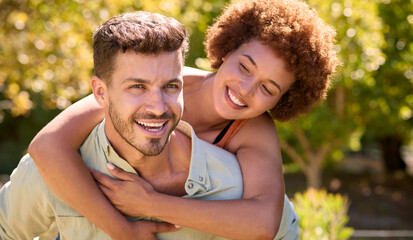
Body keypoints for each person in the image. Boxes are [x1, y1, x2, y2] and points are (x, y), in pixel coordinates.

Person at [27, 0, 339, 239]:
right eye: (245, 67)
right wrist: (123, 230)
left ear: (282, 100)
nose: (245, 89)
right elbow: (47, 145)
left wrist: (150, 203)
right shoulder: (162, 87)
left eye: (268, 88)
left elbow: (263, 223)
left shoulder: (254, 129)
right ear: (227, 50)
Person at [0, 11, 245, 240]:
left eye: (170, 86)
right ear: (100, 93)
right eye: (137, 87)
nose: (158, 107)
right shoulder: (49, 172)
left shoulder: (230, 185)